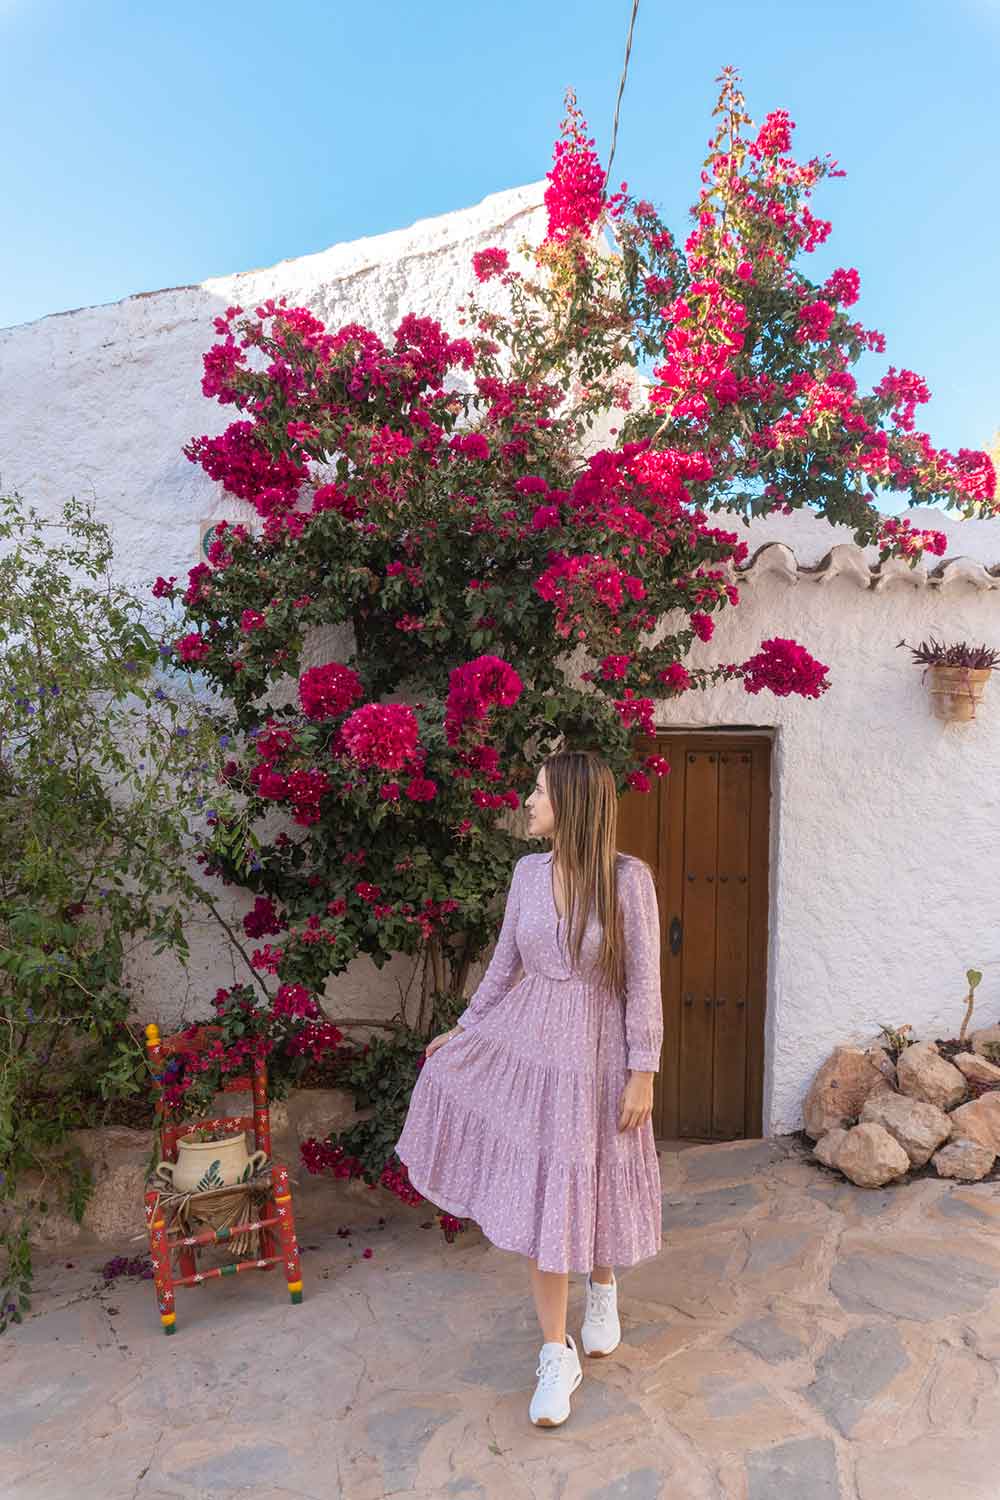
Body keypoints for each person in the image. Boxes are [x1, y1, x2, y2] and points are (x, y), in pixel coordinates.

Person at [394, 748, 663, 1428]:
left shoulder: (628, 881)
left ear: (571, 804)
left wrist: (644, 1071)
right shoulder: (525, 873)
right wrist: (465, 1031)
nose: (528, 801)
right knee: (549, 1198)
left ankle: (602, 1288)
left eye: (539, 792)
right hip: (533, 1052)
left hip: (602, 1058)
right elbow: (501, 967)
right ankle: (555, 1351)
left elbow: (643, 985)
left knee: (597, 1174)